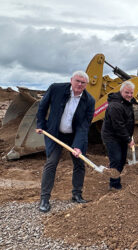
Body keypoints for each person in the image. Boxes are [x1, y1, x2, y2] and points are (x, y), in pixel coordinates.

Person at [36, 71, 95, 213]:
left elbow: (84, 126)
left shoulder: (89, 100)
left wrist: (78, 146)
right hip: (55, 133)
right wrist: (41, 125)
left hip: (74, 136)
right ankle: (44, 199)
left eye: (83, 82)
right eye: (77, 81)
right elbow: (42, 106)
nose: (79, 84)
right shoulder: (56, 88)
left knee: (79, 163)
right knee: (51, 163)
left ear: (86, 85)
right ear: (71, 80)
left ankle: (77, 194)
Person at [101, 80, 135, 190]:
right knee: (116, 159)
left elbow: (128, 120)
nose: (129, 95)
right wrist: (129, 139)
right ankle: (114, 184)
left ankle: (113, 172)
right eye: (127, 93)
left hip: (121, 136)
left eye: (131, 93)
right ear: (121, 92)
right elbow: (118, 126)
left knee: (122, 159)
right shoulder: (115, 106)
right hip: (112, 136)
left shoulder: (127, 102)